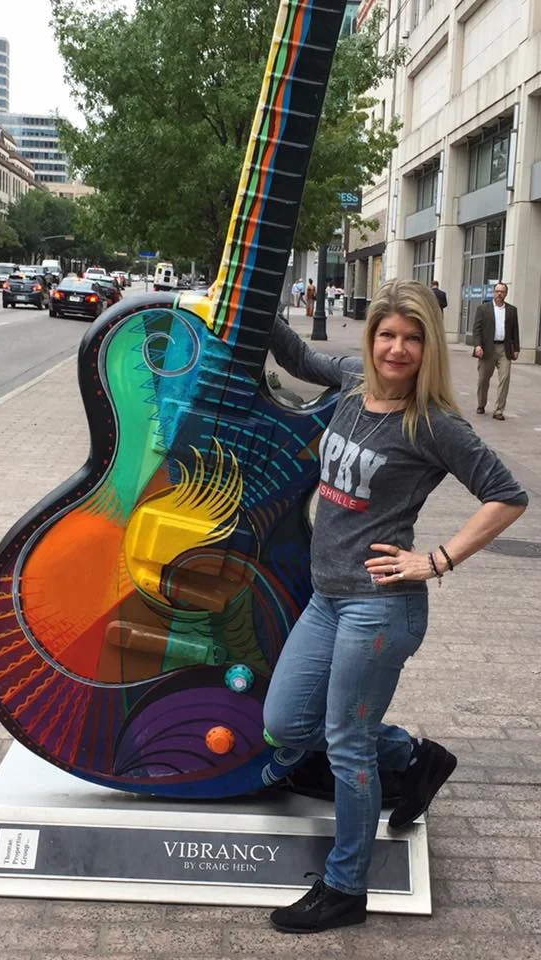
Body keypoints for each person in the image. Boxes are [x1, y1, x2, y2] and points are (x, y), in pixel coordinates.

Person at [263, 279, 527, 935]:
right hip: (328, 598)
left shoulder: (432, 422)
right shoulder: (354, 381)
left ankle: (345, 887)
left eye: (413, 338)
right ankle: (413, 757)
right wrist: (247, 300)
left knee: (347, 746)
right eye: (388, 334)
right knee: (287, 723)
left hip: (380, 609)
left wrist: (436, 560)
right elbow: (297, 356)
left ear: (428, 345)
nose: (398, 349)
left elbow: (507, 495)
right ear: (372, 336)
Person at [472, 282, 520, 421]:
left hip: (504, 349)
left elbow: (515, 331)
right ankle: (481, 404)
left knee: (505, 378)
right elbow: (477, 329)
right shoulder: (483, 309)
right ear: (493, 292)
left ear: (506, 294)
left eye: (502, 291)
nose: (499, 294)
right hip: (487, 348)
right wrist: (478, 345)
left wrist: (516, 349)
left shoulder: (512, 310)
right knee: (483, 379)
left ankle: (499, 410)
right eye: (497, 291)